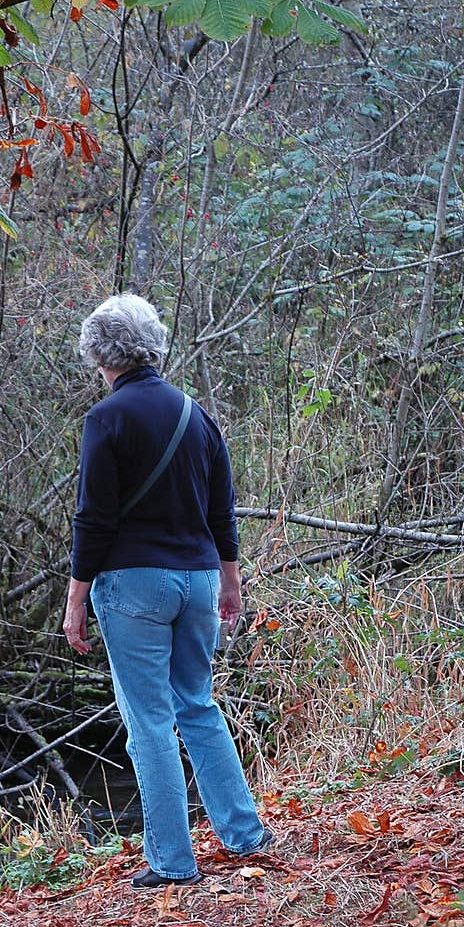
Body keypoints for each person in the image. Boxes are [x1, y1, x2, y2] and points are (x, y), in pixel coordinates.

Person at [63, 293, 273, 887]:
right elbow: (221, 509)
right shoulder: (196, 414)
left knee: (150, 721)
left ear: (101, 353)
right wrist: (230, 581)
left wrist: (76, 597)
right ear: (152, 343)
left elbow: (94, 519)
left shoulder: (107, 419)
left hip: (134, 585)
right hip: (201, 579)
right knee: (198, 704)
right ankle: (245, 835)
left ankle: (173, 863)